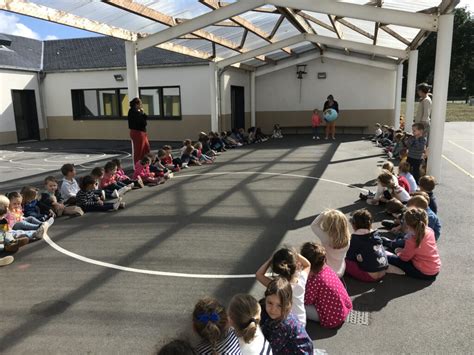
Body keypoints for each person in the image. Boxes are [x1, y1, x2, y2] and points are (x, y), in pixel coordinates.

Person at [301, 242, 352, 327]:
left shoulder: (314, 280)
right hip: (344, 308)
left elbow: (306, 300)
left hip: (332, 318)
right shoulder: (326, 268)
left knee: (297, 305)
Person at [255, 248, 311, 326]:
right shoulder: (301, 278)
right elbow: (307, 264)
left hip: (287, 325)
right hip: (301, 322)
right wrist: (294, 254)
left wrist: (271, 259)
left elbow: (259, 274)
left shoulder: (277, 286)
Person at [259, 278, 313, 354]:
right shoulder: (264, 307)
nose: (273, 309)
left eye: (280, 305)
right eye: (270, 303)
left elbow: (269, 351)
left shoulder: (284, 325)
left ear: (288, 304)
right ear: (266, 299)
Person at [387, 208, 441, 280]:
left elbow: (404, 258)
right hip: (435, 268)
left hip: (424, 273)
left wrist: (399, 252)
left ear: (408, 225)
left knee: (390, 258)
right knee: (400, 249)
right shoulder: (430, 230)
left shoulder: (412, 240)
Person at [346, 209, 388, 282]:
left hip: (370, 276)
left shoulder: (355, 239)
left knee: (344, 261)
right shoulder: (376, 234)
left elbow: (350, 257)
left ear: (354, 225)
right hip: (383, 272)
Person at [310, 209, 351, 277]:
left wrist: (323, 214)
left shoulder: (326, 237)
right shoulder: (347, 238)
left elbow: (314, 225)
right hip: (341, 269)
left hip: (329, 272)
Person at [128, 97, 150, 165]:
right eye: (140, 104)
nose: (141, 106)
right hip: (138, 133)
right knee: (139, 151)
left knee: (146, 149)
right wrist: (143, 114)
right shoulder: (135, 112)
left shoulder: (134, 111)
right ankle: (138, 166)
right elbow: (143, 123)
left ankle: (146, 165)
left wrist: (142, 113)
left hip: (141, 132)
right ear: (136, 105)